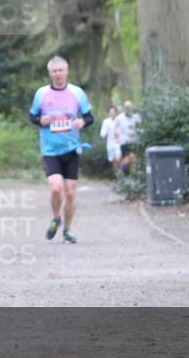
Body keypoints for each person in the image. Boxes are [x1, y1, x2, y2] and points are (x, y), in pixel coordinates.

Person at [28, 56, 94, 244]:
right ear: (50, 73)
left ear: (66, 72)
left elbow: (90, 117)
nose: (58, 74)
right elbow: (32, 116)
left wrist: (82, 122)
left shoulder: (77, 92)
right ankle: (56, 217)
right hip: (50, 150)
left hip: (72, 149)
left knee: (71, 192)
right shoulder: (41, 93)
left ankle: (67, 230)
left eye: (60, 70)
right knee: (56, 188)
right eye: (54, 71)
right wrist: (41, 120)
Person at [116, 100, 142, 175]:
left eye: (129, 107)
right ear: (124, 108)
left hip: (135, 141)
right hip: (124, 142)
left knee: (133, 159)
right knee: (126, 159)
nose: (128, 108)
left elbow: (140, 128)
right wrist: (118, 138)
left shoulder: (137, 117)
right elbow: (116, 130)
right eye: (126, 107)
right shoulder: (119, 118)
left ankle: (132, 176)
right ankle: (121, 173)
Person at [100, 105, 121, 175]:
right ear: (109, 113)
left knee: (118, 159)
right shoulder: (106, 122)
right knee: (114, 161)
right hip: (110, 144)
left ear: (116, 113)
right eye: (110, 112)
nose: (112, 113)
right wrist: (105, 132)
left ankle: (120, 174)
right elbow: (102, 133)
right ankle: (117, 175)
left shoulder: (119, 120)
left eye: (113, 112)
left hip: (118, 143)